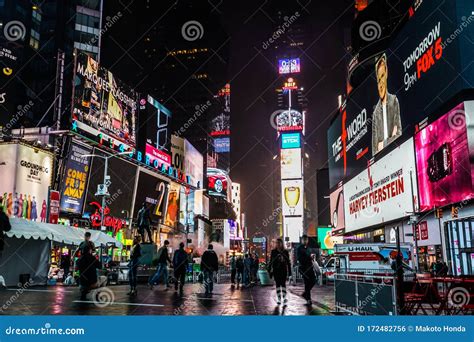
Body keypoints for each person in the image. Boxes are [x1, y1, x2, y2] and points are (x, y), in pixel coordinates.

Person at [372, 53, 402, 155]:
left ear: (387, 74)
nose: (381, 84)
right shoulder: (376, 113)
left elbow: (399, 134)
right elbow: (374, 150)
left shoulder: (394, 101)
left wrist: (383, 144)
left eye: (382, 76)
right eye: (378, 79)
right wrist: (391, 138)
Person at [268, 238, 292, 305]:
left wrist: (290, 272)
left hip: (283, 270)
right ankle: (279, 298)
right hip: (276, 270)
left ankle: (284, 298)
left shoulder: (285, 252)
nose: (278, 244)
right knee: (278, 285)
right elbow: (271, 262)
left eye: (279, 243)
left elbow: (288, 262)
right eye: (277, 243)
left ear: (282, 243)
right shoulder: (273, 252)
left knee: (283, 284)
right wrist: (269, 270)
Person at [297, 235, 316, 305]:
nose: (305, 241)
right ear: (302, 240)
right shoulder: (299, 248)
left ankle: (305, 294)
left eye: (306, 240)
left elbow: (310, 257)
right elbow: (300, 259)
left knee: (314, 280)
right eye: (304, 240)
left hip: (310, 267)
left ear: (307, 240)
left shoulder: (309, 248)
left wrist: (311, 258)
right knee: (307, 284)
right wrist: (308, 257)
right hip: (304, 269)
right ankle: (308, 299)